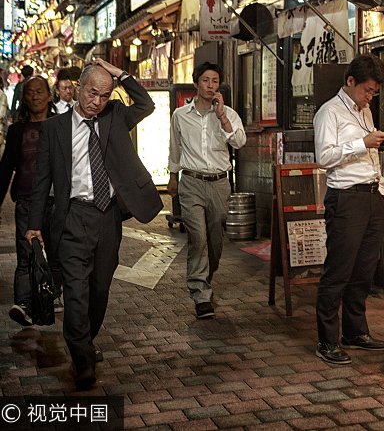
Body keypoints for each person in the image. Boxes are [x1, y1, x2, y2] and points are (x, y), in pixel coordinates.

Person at [25, 59, 163, 390]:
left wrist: (120, 75)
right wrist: (34, 225)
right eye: (92, 93)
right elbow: (42, 179)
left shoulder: (115, 116)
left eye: (104, 95)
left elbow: (146, 104)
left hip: (109, 217)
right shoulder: (55, 129)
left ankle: (86, 339)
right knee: (75, 290)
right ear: (77, 89)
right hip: (73, 217)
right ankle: (82, 361)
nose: (96, 101)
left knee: (100, 289)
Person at [312, 53, 384, 365]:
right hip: (346, 198)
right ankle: (327, 340)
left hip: (372, 196)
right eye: (367, 90)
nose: (370, 96)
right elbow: (325, 157)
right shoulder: (329, 113)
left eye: (374, 92)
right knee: (339, 270)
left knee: (364, 269)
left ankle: (355, 332)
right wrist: (363, 143)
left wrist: (382, 189)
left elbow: (369, 154)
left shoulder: (366, 111)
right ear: (350, 82)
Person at [168, 62, 246, 320]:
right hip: (191, 182)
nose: (211, 85)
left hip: (219, 183)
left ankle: (206, 277)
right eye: (206, 80)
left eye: (215, 81)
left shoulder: (228, 114)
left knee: (215, 238)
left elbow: (239, 142)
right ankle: (200, 293)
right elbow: (176, 148)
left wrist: (222, 116)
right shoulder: (180, 115)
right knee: (198, 237)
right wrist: (172, 177)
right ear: (196, 83)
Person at [1, 76, 59, 325]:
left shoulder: (61, 127)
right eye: (29, 93)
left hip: (57, 200)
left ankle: (53, 295)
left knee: (57, 253)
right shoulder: (17, 131)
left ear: (49, 96)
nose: (35, 96)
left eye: (39, 92)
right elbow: (5, 169)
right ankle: (23, 303)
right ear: (24, 99)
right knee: (26, 255)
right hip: (26, 199)